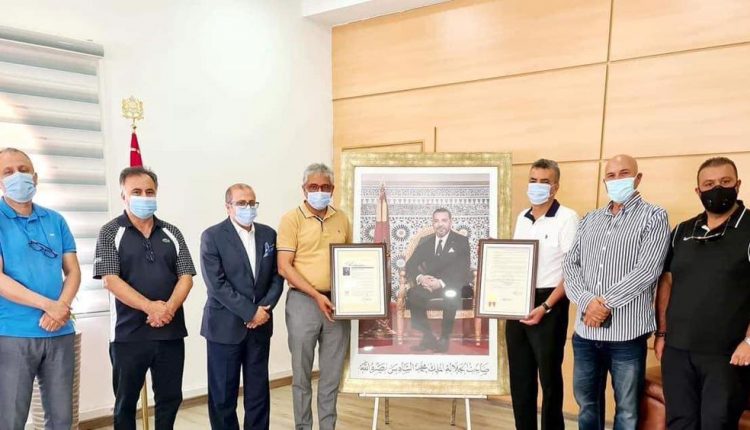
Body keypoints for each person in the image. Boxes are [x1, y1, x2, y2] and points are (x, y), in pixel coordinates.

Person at [563, 154, 670, 429]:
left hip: (627, 336)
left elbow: (647, 270)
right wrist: (587, 302)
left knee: (627, 410)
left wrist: (604, 304)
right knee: (587, 405)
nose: (617, 180)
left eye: (624, 174)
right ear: (604, 182)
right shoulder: (590, 219)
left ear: (638, 178)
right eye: (611, 175)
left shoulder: (654, 216)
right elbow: (570, 264)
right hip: (585, 334)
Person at [93, 166, 196, 430]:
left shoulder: (172, 232)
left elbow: (186, 276)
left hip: (170, 333)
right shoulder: (110, 232)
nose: (144, 197)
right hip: (128, 335)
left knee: (170, 399)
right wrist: (151, 307)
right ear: (123, 196)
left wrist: (168, 309)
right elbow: (110, 280)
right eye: (136, 192)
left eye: (149, 192)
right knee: (126, 403)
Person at [655, 157, 750, 430]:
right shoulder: (683, 231)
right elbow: (667, 281)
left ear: (737, 185)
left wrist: (749, 341)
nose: (716, 188)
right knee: (679, 423)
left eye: (725, 182)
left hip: (727, 354)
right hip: (677, 351)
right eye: (708, 184)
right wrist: (662, 333)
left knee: (717, 424)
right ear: (698, 191)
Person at [0, 148, 80, 430]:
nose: (17, 176)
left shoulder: (55, 220)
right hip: (14, 333)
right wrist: (50, 306)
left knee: (61, 419)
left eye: (23, 170)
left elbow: (73, 271)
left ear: (35, 177)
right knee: (10, 419)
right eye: (8, 172)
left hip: (60, 332)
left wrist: (62, 307)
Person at [200, 183, 284, 430]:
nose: (248, 208)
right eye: (241, 203)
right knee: (223, 396)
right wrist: (250, 312)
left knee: (258, 394)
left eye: (251, 203)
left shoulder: (269, 235)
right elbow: (217, 284)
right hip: (224, 328)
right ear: (228, 207)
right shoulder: (212, 236)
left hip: (260, 326)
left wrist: (264, 309)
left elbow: (277, 277)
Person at [277, 163, 351, 430]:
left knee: (331, 377)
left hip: (337, 304)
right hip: (303, 302)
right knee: (302, 375)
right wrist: (316, 295)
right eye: (313, 187)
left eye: (325, 187)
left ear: (332, 189)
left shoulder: (342, 218)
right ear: (304, 189)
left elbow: (350, 260)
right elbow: (284, 266)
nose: (320, 191)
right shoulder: (291, 219)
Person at [507, 159, 579, 430]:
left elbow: (572, 271)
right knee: (520, 377)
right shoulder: (522, 217)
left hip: (550, 304)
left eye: (545, 182)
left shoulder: (567, 218)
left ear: (555, 187)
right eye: (533, 180)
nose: (537, 186)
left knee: (549, 380)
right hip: (517, 299)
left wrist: (547, 306)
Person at [405, 207, 471, 353]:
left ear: (450, 222)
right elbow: (410, 264)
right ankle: (427, 336)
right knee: (413, 294)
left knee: (451, 295)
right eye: (436, 221)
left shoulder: (461, 241)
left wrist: (440, 283)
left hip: (451, 284)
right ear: (433, 223)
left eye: (444, 220)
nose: (440, 224)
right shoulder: (425, 241)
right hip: (429, 285)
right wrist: (421, 278)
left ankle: (444, 338)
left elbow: (463, 269)